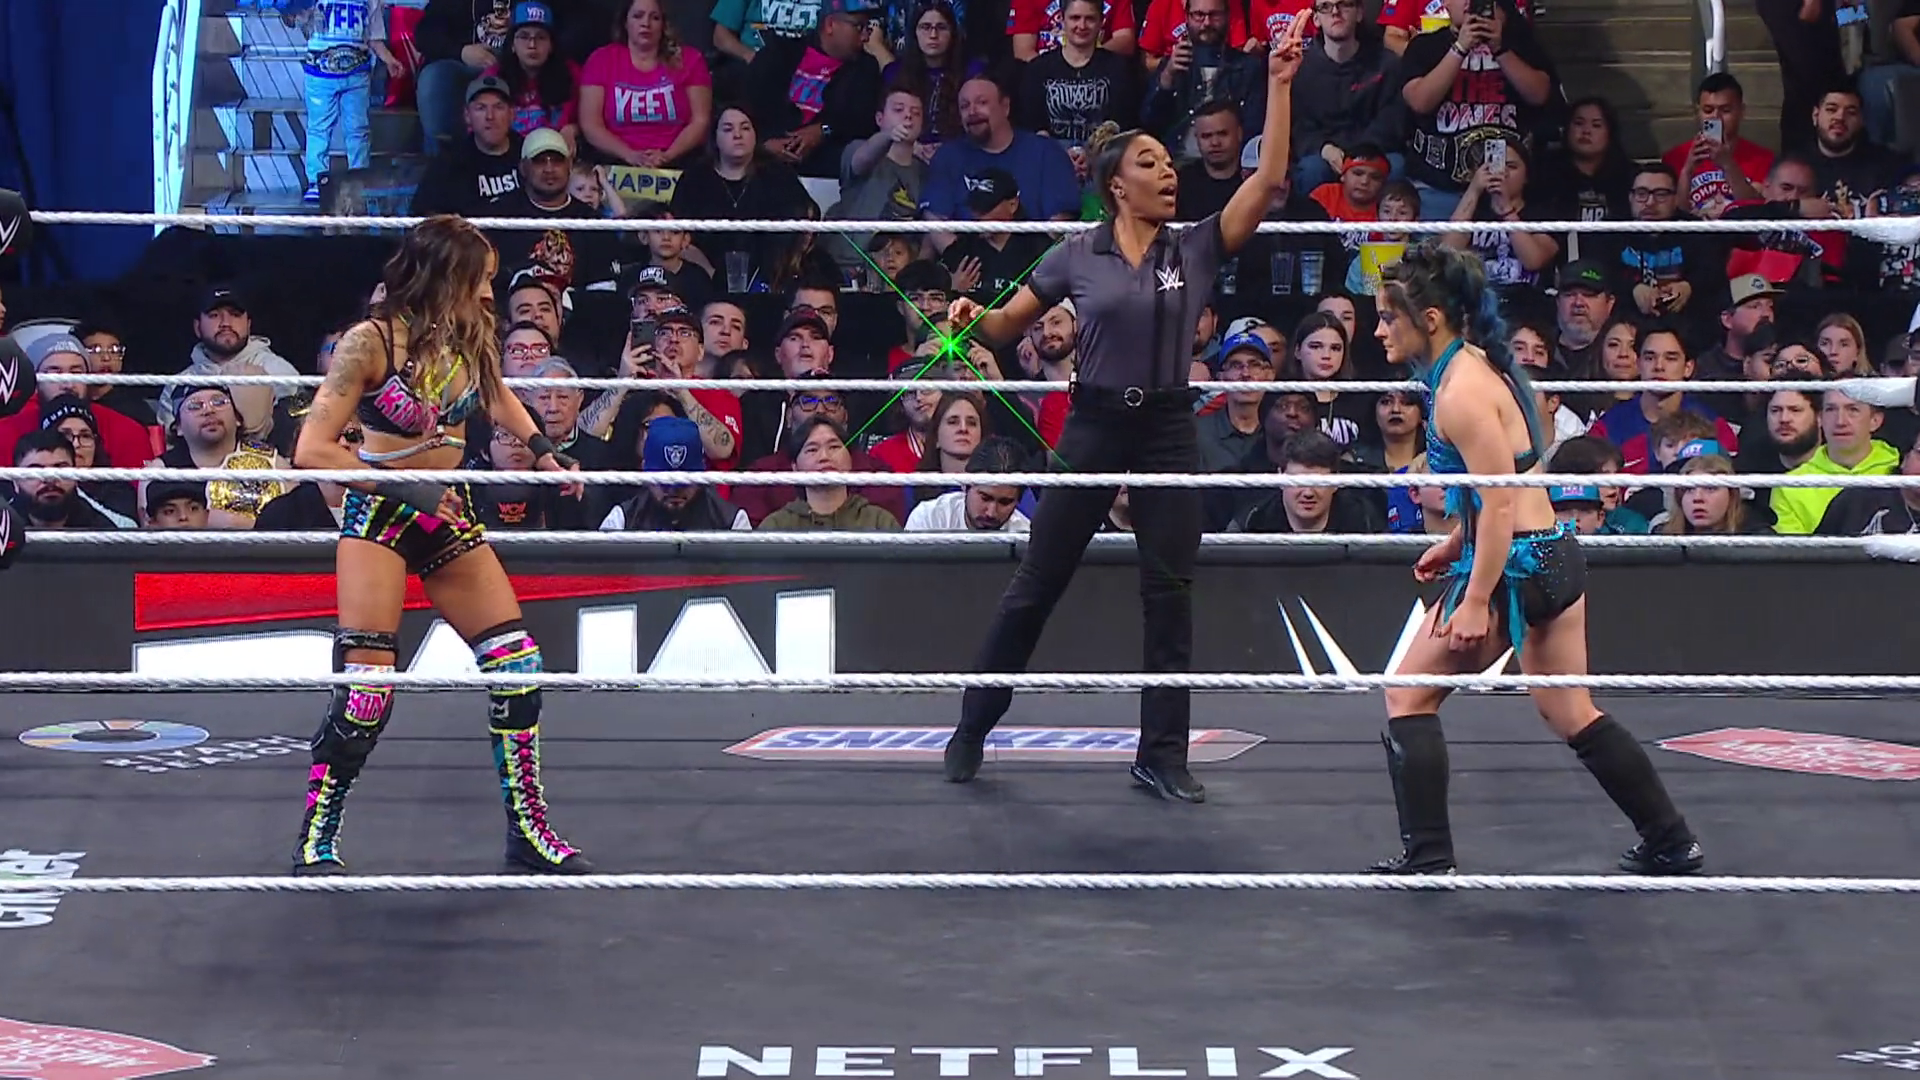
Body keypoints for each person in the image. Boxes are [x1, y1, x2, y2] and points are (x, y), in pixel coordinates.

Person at [938, 17, 1311, 804]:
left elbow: (1269, 179)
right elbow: (1004, 327)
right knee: (1038, 582)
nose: (1169, 173)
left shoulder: (1196, 245)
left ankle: (1161, 756)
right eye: (1151, 164)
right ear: (1117, 185)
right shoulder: (1076, 253)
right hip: (1095, 423)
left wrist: (1280, 84)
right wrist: (973, 317)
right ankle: (973, 723)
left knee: (1169, 592)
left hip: (1169, 426)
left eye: (1169, 163)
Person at [1367, 241, 1703, 876]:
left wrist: (1474, 598)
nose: (1380, 330)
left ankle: (1429, 855)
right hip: (1550, 552)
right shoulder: (1475, 367)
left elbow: (1500, 502)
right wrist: (1457, 542)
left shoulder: (1460, 392)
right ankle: (1671, 839)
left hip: (1516, 565)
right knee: (1570, 710)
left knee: (1407, 695)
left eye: (1389, 317)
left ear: (1429, 319)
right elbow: (1508, 484)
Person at [287, 215, 592, 877]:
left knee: (517, 666)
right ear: (445, 276)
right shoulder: (369, 343)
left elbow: (497, 396)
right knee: (367, 696)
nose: (489, 294)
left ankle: (528, 830)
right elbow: (310, 450)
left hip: (447, 516)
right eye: (480, 280)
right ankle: (319, 832)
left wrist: (544, 453)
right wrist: (413, 489)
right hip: (381, 517)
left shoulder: (469, 335)